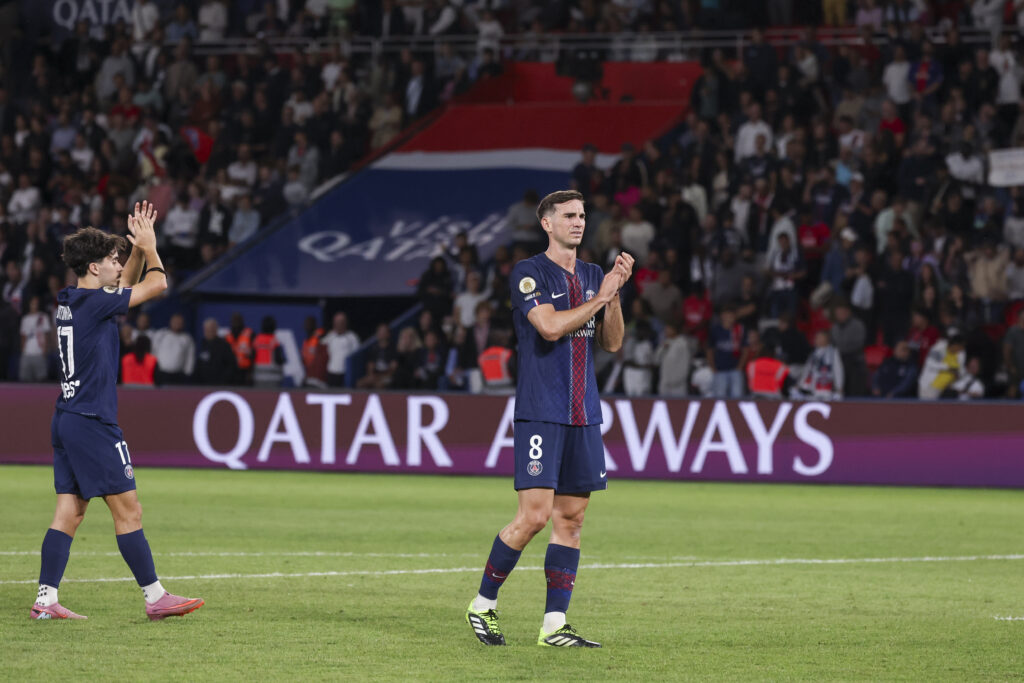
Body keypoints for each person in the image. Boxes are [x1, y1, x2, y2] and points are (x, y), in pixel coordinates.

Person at [466, 190, 633, 648]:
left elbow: (613, 344)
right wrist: (601, 298)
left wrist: (612, 297)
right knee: (534, 518)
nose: (578, 223)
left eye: (582, 215)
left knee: (572, 520)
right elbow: (550, 327)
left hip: (584, 413)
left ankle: (554, 625)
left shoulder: (595, 275)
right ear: (547, 223)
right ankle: (483, 605)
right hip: (541, 411)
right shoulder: (529, 273)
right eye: (568, 216)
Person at [31, 201, 203, 621]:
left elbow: (123, 287)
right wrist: (152, 247)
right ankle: (155, 596)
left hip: (66, 417)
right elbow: (156, 286)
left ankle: (46, 599)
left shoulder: (73, 300)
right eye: (111, 259)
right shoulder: (96, 304)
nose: (118, 262)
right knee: (129, 510)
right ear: (93, 268)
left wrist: (137, 249)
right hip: (92, 421)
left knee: (69, 511)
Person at [195, 318, 236, 385]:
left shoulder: (224, 345)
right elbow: (197, 366)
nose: (209, 331)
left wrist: (223, 381)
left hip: (219, 385)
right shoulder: (201, 345)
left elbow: (231, 365)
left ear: (216, 330)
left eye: (211, 329)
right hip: (202, 385)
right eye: (207, 329)